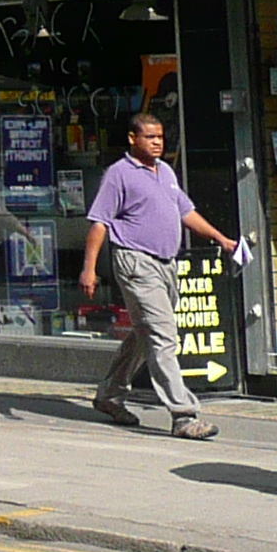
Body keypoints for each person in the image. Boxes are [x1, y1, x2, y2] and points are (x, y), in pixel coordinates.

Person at [79, 115, 246, 440]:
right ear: (132, 138)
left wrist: (221, 239)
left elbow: (186, 212)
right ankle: (184, 415)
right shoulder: (119, 174)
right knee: (162, 335)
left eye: (160, 137)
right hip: (136, 262)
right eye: (150, 137)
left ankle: (110, 395)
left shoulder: (166, 172)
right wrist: (89, 268)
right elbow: (99, 223)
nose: (157, 142)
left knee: (147, 333)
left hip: (167, 264)